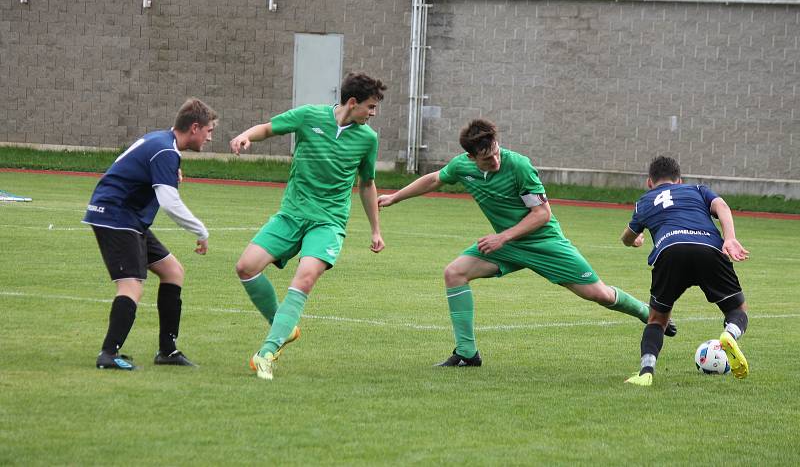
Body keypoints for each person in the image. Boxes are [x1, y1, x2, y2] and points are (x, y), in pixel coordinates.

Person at [377, 118, 674, 367]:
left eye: (495, 151)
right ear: (471, 158)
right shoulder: (462, 167)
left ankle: (646, 313)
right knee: (454, 273)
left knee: (599, 295)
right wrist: (395, 196)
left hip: (543, 243)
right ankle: (467, 354)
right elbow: (434, 179)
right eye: (486, 158)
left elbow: (542, 214)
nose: (494, 160)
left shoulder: (518, 166)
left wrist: (502, 236)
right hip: (506, 246)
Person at [230, 72, 386, 381]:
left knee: (305, 277)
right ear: (352, 103)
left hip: (328, 222)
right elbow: (267, 128)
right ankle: (284, 326)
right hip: (291, 214)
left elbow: (367, 184)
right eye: (370, 106)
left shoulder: (368, 138)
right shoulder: (308, 116)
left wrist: (375, 230)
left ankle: (266, 353)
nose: (373, 113)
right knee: (246, 267)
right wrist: (246, 135)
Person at [83, 98, 218, 370]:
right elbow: (169, 202)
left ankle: (167, 351)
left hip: (129, 217)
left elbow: (136, 169)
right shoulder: (165, 150)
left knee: (173, 272)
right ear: (195, 127)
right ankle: (108, 354)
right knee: (131, 285)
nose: (210, 137)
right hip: (115, 215)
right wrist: (200, 230)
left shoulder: (162, 143)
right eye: (209, 130)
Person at [621, 156, 750, 386]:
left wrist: (635, 240)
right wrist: (729, 238)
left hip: (670, 252)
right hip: (707, 248)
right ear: (679, 180)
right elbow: (721, 205)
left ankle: (646, 372)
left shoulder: (644, 201)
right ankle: (729, 335)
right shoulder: (698, 189)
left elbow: (626, 237)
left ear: (649, 182)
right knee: (736, 308)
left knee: (657, 320)